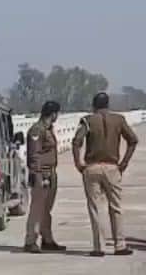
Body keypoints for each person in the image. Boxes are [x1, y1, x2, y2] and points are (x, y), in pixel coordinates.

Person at [72, 92, 138, 257]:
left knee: (96, 208)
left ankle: (99, 247)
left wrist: (78, 163)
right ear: (108, 104)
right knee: (116, 207)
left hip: (92, 167)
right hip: (112, 167)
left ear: (94, 105)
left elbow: (77, 142)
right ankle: (120, 245)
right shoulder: (119, 120)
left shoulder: (88, 120)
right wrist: (124, 163)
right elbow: (133, 140)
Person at [23, 100, 67, 253]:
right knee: (37, 208)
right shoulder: (37, 130)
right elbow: (34, 154)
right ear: (53, 114)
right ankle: (30, 240)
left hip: (50, 172)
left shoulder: (48, 129)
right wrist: (37, 175)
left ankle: (47, 239)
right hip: (41, 174)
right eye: (57, 113)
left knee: (46, 209)